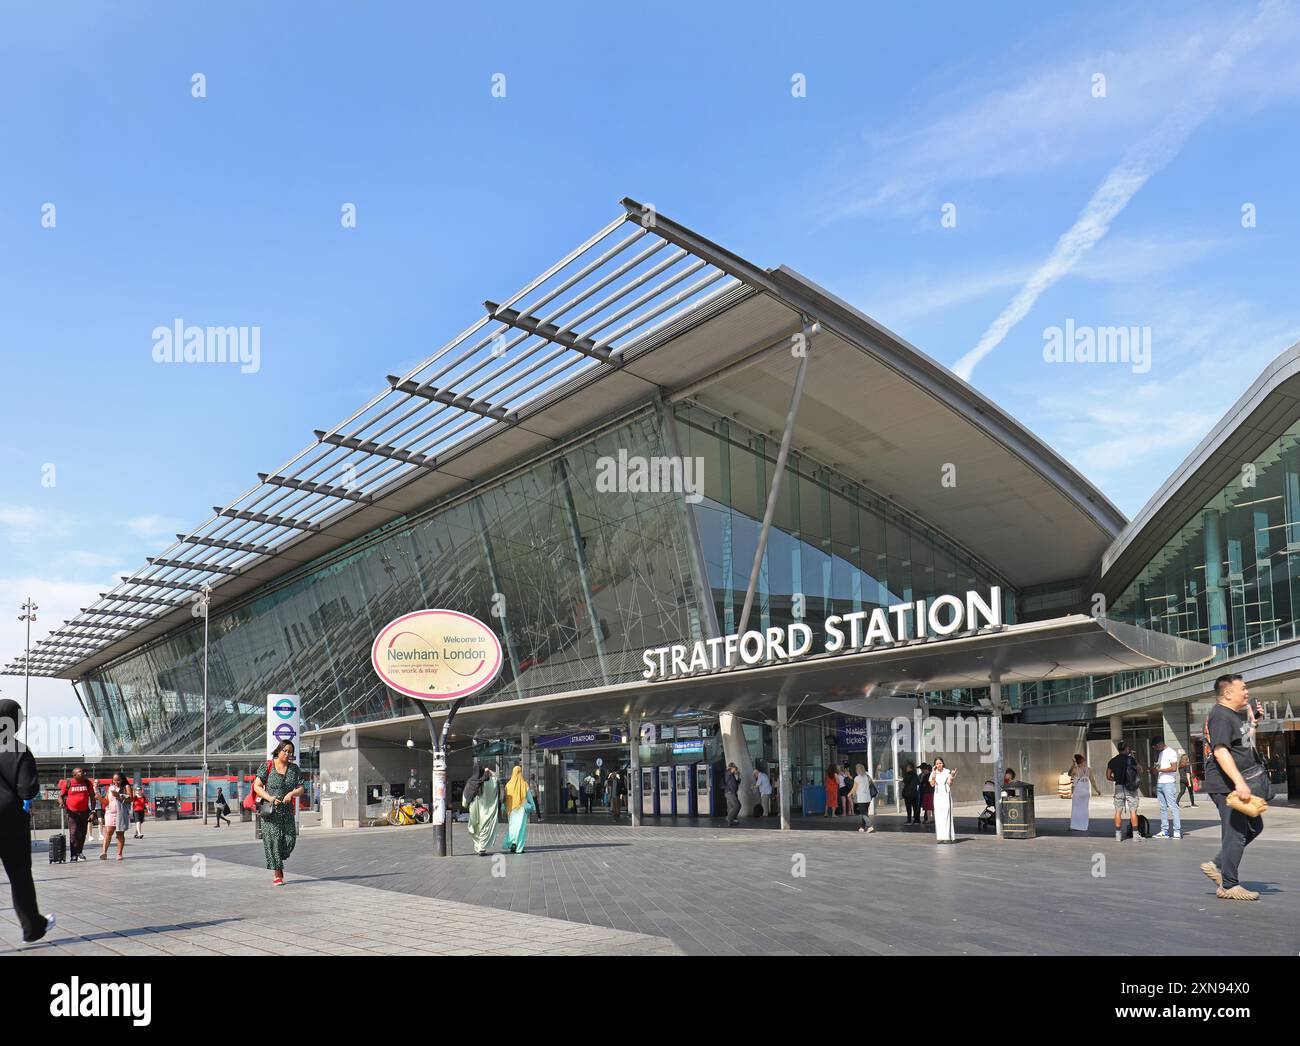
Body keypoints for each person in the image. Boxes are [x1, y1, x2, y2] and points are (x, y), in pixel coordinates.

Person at [1199, 674, 1266, 901]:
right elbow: (1220, 751)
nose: (1247, 693)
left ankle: (1215, 865)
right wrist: (1238, 782)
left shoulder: (1233, 716)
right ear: (1228, 693)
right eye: (1243, 688)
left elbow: (1246, 747)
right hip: (1226, 784)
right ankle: (1229, 885)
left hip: (1235, 783)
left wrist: (1253, 724)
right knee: (1236, 833)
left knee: (1254, 826)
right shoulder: (1220, 716)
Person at [0, 699, 55, 943]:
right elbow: (27, 790)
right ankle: (32, 928)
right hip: (10, 820)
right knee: (20, 874)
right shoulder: (19, 749)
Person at [252, 741, 304, 885]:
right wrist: (269, 798)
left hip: (286, 811)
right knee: (274, 841)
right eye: (285, 751)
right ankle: (277, 872)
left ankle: (278, 861)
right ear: (279, 750)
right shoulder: (267, 766)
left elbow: (301, 788)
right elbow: (257, 786)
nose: (287, 754)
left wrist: (292, 794)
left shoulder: (294, 769)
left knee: (289, 841)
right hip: (270, 812)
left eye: (290, 752)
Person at [1106, 739, 1142, 842]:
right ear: (1126, 749)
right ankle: (1135, 836)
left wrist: (1116, 779)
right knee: (1133, 811)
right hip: (1130, 787)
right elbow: (1140, 770)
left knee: (1118, 811)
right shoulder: (1131, 759)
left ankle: (1118, 835)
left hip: (1119, 787)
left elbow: (1108, 776)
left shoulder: (1112, 761)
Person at [59, 767, 95, 861]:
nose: (82, 774)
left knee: (82, 833)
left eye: (83, 772)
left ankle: (79, 852)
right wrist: (61, 802)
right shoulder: (68, 783)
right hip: (72, 812)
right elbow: (60, 796)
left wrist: (93, 811)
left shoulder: (87, 783)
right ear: (74, 775)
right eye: (80, 772)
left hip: (85, 811)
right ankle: (73, 855)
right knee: (73, 833)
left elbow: (92, 797)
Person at [1151, 737, 1182, 840]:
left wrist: (1159, 770)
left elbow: (1174, 768)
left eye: (1156, 746)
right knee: (1162, 808)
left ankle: (1177, 831)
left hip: (1168, 783)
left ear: (1160, 743)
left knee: (1173, 806)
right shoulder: (1160, 754)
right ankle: (1164, 831)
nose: (1156, 748)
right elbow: (1160, 767)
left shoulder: (1171, 752)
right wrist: (1155, 770)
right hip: (1160, 782)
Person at [98, 772, 132, 861]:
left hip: (121, 813)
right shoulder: (110, 788)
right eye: (114, 780)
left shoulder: (126, 787)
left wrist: (119, 796)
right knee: (108, 832)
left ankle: (119, 853)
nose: (116, 782)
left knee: (120, 834)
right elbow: (106, 801)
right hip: (110, 812)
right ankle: (104, 852)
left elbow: (130, 799)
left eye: (118, 780)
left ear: (122, 780)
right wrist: (99, 798)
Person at [501, 765, 534, 853]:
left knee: (512, 828)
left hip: (511, 810)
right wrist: (533, 807)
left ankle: (512, 844)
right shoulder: (524, 784)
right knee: (520, 829)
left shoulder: (508, 785)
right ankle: (519, 848)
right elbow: (530, 798)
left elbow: (504, 799)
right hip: (521, 810)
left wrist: (503, 808)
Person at [467, 766, 499, 854]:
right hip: (487, 811)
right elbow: (496, 777)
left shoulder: (472, 782)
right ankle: (481, 847)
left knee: (476, 829)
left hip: (474, 809)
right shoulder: (491, 782)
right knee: (484, 828)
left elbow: (466, 797)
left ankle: (479, 847)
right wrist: (489, 771)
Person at [1069, 753, 1100, 832]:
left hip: (1078, 792)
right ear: (1083, 761)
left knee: (1076, 809)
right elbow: (1092, 781)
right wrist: (1097, 790)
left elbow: (1069, 774)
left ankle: (1075, 825)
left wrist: (1072, 765)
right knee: (1084, 809)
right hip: (1086, 792)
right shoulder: (1088, 770)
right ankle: (1083, 826)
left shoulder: (1075, 769)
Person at [930, 757, 956, 843]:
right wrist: (933, 774)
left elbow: (950, 783)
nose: (939, 765)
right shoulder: (934, 772)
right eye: (937, 764)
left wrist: (952, 775)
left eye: (940, 763)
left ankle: (948, 837)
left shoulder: (947, 771)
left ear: (943, 763)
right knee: (938, 816)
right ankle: (942, 836)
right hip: (937, 796)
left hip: (946, 795)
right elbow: (932, 784)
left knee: (946, 814)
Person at [851, 763, 876, 834]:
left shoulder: (857, 778)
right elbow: (871, 783)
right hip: (868, 798)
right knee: (864, 812)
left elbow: (854, 788)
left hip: (861, 798)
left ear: (857, 770)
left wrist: (849, 794)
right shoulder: (867, 776)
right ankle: (862, 827)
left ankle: (870, 826)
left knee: (863, 813)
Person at [723, 761, 741, 826]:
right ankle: (729, 818)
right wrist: (734, 769)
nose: (736, 770)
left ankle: (731, 820)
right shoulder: (728, 773)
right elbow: (731, 770)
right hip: (729, 793)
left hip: (732, 793)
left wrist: (738, 777)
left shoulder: (732, 775)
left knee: (731, 807)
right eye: (735, 768)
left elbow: (737, 783)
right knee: (737, 806)